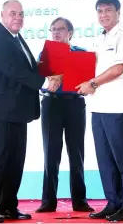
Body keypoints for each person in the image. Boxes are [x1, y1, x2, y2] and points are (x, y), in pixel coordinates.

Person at [0, 0, 61, 223]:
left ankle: (8, 206)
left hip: (15, 110)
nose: (18, 17)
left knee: (16, 159)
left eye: (21, 14)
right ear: (2, 15)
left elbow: (25, 68)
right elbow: (13, 71)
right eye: (13, 13)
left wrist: (49, 68)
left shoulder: (16, 38)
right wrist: (45, 82)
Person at [76, 0, 123, 221]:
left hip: (118, 105)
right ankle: (113, 202)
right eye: (100, 11)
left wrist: (91, 83)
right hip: (98, 105)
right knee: (105, 159)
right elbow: (89, 68)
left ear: (118, 12)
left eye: (108, 10)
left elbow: (119, 68)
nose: (103, 15)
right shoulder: (98, 38)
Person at [35, 17, 94, 213]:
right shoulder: (45, 54)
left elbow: (87, 80)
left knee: (76, 153)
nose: (56, 33)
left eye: (60, 29)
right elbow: (37, 78)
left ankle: (80, 200)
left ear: (70, 32)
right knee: (50, 152)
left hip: (74, 104)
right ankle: (48, 201)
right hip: (51, 104)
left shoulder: (81, 53)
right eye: (53, 30)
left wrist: (65, 75)